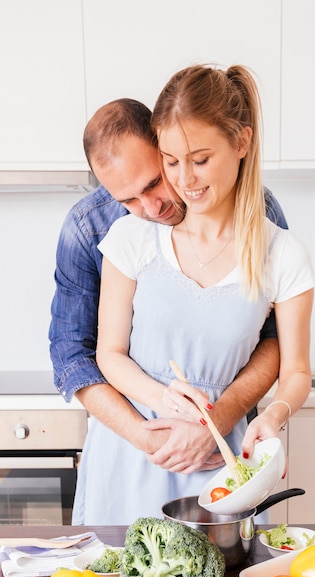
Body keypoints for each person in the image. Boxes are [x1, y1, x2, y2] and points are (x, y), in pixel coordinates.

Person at [48, 97, 288, 524]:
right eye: (128, 200)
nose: (151, 208)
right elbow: (73, 359)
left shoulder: (254, 211)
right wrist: (148, 438)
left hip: (219, 448)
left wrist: (217, 419)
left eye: (155, 182)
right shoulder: (92, 226)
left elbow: (276, 342)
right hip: (128, 449)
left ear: (167, 148)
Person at [93, 66, 314, 524]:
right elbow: (108, 353)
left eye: (200, 159)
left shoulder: (283, 254)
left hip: (220, 462)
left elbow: (294, 369)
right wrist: (163, 399)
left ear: (242, 143)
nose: (185, 180)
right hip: (135, 454)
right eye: (170, 162)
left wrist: (271, 418)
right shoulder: (131, 238)